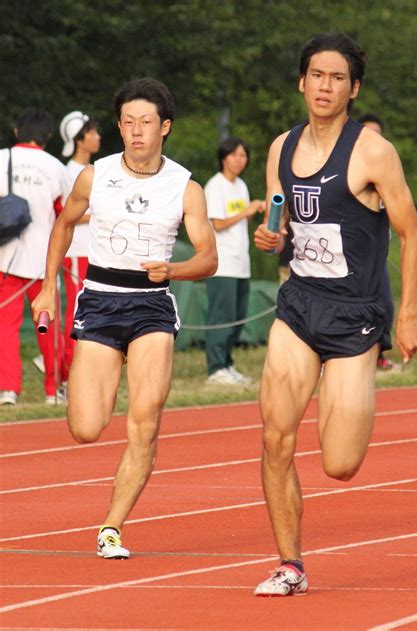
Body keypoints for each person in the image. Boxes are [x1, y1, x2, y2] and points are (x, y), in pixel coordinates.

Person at [253, 33, 417, 596]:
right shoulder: (281, 148)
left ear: (353, 89)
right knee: (276, 437)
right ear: (301, 81)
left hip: (356, 317)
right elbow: (284, 230)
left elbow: (410, 232)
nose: (325, 86)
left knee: (340, 464)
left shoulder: (373, 152)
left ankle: (348, 390)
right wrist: (271, 239)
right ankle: (290, 565)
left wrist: (408, 317)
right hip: (300, 306)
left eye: (337, 78)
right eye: (316, 75)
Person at [32, 77, 217, 559]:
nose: (137, 132)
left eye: (147, 123)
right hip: (99, 300)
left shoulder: (185, 186)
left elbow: (208, 258)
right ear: (119, 126)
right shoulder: (95, 176)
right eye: (129, 123)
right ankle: (105, 377)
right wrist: (47, 289)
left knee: (146, 423)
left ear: (165, 128)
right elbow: (64, 225)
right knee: (86, 427)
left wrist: (173, 269)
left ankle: (111, 527)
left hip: (152, 305)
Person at [0, 108, 70, 406]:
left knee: (5, 326)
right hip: (44, 262)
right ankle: (53, 390)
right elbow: (65, 214)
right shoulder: (56, 167)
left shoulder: (2, 158)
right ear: (48, 136)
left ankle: (8, 389)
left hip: (6, 258)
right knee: (46, 325)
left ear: (17, 131)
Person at [204, 137, 264, 385]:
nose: (240, 160)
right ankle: (215, 368)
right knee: (221, 316)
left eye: (243, 155)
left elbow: (242, 222)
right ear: (223, 158)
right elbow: (217, 224)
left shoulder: (241, 186)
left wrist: (252, 212)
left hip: (241, 264)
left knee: (237, 316)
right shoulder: (215, 186)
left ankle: (227, 364)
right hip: (222, 264)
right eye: (235, 155)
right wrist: (246, 211)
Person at [60, 110, 101, 379]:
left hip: (95, 252)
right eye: (93, 132)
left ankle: (83, 370)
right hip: (76, 252)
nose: (98, 137)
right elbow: (66, 214)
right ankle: (68, 371)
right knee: (76, 313)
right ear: (79, 138)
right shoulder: (69, 172)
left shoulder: (97, 170)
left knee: (91, 312)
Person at [357, 113, 399, 371]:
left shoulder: (386, 168)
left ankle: (377, 355)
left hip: (376, 256)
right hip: (348, 258)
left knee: (385, 305)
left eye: (378, 134)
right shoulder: (348, 168)